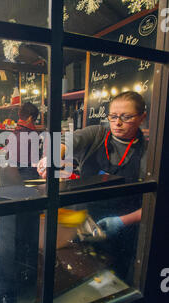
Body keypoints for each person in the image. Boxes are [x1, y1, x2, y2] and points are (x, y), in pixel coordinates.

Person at [37, 91, 147, 279]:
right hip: (82, 225)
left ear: (142, 117)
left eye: (126, 117)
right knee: (76, 277)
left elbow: (156, 203)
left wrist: (121, 222)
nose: (117, 123)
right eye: (113, 116)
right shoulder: (97, 134)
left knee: (112, 284)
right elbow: (66, 142)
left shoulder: (149, 152)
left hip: (121, 232)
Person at [11, 102, 41, 180]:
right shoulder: (32, 134)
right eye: (34, 120)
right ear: (30, 118)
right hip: (27, 172)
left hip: (13, 171)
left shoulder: (15, 131)